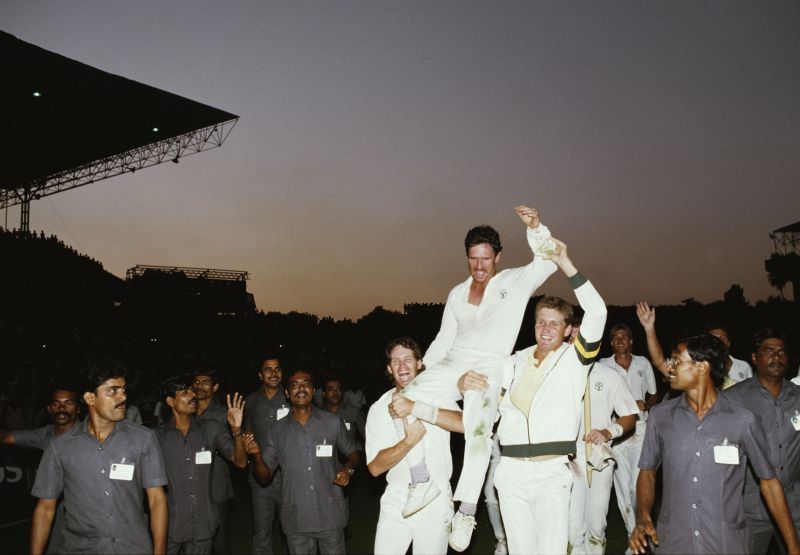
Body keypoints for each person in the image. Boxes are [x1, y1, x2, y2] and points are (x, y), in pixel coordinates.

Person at [397, 205, 558, 551]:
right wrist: (423, 371)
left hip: (490, 369)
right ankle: (419, 478)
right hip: (454, 362)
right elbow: (444, 339)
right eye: (473, 259)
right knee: (402, 399)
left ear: (497, 256)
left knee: (479, 430)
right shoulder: (457, 293)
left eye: (486, 258)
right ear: (467, 257)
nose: (480, 266)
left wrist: (536, 228)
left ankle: (466, 510)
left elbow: (548, 261)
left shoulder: (513, 282)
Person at [630, 334, 800, 555]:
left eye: (676, 361)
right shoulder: (660, 416)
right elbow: (648, 471)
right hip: (673, 541)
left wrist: (794, 546)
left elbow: (769, 482)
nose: (670, 367)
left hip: (725, 541)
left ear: (702, 368)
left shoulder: (742, 419)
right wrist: (643, 515)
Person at [493, 237, 606, 554]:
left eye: (555, 324)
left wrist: (565, 263)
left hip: (551, 473)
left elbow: (597, 312)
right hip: (511, 471)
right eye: (541, 321)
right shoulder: (512, 362)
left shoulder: (575, 360)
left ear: (568, 330)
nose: (546, 329)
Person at [30, 358, 168, 555]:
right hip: (81, 548)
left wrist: (160, 552)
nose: (122, 397)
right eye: (113, 390)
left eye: (123, 389)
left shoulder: (143, 438)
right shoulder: (60, 447)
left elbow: (156, 499)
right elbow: (45, 508)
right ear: (90, 398)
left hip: (133, 548)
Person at [366, 337, 464, 555]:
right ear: (389, 368)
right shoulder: (379, 408)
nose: (402, 365)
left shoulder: (437, 395)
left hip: (436, 497)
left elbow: (467, 424)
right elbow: (375, 467)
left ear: (419, 363)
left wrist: (419, 408)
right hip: (397, 497)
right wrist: (409, 441)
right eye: (396, 361)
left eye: (408, 359)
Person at [245, 370, 360, 555]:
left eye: (306, 383)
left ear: (313, 390)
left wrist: (348, 469)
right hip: (296, 518)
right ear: (287, 393)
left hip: (330, 514)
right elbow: (264, 477)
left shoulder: (332, 422)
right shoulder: (277, 430)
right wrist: (257, 456)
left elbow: (354, 453)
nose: (301, 388)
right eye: (295, 384)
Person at [723, 329, 800, 554]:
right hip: (750, 508)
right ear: (755, 357)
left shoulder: (798, 396)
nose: (776, 357)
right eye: (768, 351)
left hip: (795, 506)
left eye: (781, 352)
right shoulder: (732, 399)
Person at [155, 375, 248, 555]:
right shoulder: (157, 437)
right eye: (185, 392)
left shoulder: (211, 429)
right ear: (170, 401)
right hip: (171, 525)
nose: (193, 395)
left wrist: (236, 431)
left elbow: (241, 462)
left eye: (192, 390)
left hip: (203, 524)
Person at [569, 353, 639, 555]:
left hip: (598, 455)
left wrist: (609, 431)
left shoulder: (609, 375)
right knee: (572, 528)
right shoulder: (557, 372)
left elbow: (629, 415)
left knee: (596, 524)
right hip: (567, 457)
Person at [1, 384, 80, 554]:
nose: (62, 408)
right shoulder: (46, 434)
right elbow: (9, 437)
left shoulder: (90, 434)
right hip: (55, 514)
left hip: (86, 516)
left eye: (68, 403)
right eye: (56, 404)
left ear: (78, 409)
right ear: (49, 409)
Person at [599, 323, 658, 536]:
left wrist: (647, 404)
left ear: (631, 341)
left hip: (640, 428)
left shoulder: (643, 363)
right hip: (615, 431)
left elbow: (654, 394)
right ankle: (633, 536)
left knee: (637, 484)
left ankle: (641, 528)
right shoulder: (603, 366)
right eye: (616, 337)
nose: (620, 340)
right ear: (611, 342)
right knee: (622, 488)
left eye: (624, 337)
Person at [244, 355, 289, 555]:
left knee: (292, 532)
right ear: (260, 375)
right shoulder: (251, 401)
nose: (273, 373)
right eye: (268, 369)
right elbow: (249, 431)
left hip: (290, 477)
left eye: (277, 369)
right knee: (262, 535)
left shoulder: (292, 397)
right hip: (261, 478)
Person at [192, 367, 236, 554]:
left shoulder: (224, 414)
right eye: (196, 381)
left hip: (215, 485)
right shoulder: (185, 410)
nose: (199, 386)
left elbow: (233, 448)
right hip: (190, 484)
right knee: (193, 538)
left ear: (215, 387)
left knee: (219, 541)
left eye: (205, 382)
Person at [320, 377, 365, 450]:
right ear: (324, 394)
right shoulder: (317, 414)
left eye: (338, 389)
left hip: (352, 457)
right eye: (331, 389)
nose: (335, 393)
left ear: (342, 392)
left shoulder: (353, 412)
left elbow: (367, 435)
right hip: (326, 458)